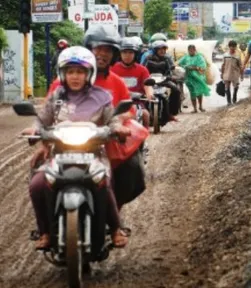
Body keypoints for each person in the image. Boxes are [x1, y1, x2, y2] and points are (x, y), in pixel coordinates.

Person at [23, 46, 131, 249]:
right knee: (37, 185)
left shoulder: (102, 96)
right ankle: (45, 231)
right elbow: (42, 119)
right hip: (59, 154)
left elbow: (113, 119)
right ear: (62, 74)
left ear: (89, 74)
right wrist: (34, 129)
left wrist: (117, 129)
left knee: (103, 181)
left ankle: (116, 228)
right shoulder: (57, 96)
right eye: (70, 71)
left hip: (93, 154)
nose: (75, 76)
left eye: (80, 72)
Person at [48, 25, 146, 215]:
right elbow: (48, 110)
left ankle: (113, 213)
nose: (102, 54)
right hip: (65, 141)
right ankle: (46, 224)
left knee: (132, 169)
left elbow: (129, 111)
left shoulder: (116, 82)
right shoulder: (65, 79)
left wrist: (116, 122)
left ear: (114, 54)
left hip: (105, 140)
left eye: (108, 50)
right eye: (98, 48)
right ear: (88, 49)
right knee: (39, 174)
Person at [111, 37, 153, 128]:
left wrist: (150, 94)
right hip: (116, 104)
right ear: (120, 54)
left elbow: (147, 85)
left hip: (136, 103)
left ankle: (143, 140)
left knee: (146, 115)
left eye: (130, 52)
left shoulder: (142, 70)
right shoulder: (111, 69)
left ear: (135, 54)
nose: (127, 55)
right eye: (124, 52)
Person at [143, 40, 182, 119]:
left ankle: (172, 112)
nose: (162, 51)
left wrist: (170, 76)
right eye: (160, 49)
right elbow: (143, 69)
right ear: (155, 50)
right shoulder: (148, 58)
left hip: (163, 80)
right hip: (150, 81)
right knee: (140, 93)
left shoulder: (167, 58)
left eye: (164, 49)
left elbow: (170, 69)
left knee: (176, 90)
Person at [178, 45, 211, 113]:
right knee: (192, 92)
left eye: (192, 50)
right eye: (190, 50)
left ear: (195, 50)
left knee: (199, 92)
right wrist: (186, 66)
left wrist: (194, 68)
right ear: (188, 50)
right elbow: (179, 64)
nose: (191, 52)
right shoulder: (186, 57)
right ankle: (195, 108)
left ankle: (200, 106)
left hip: (198, 77)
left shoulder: (199, 57)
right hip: (189, 78)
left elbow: (203, 67)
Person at [221, 40, 243, 105]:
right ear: (229, 47)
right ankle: (229, 101)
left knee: (236, 86)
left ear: (236, 47)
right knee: (227, 87)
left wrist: (242, 75)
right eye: (231, 46)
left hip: (235, 74)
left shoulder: (237, 56)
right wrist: (222, 73)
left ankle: (234, 98)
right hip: (226, 73)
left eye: (234, 46)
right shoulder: (225, 55)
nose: (233, 48)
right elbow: (223, 65)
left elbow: (240, 66)